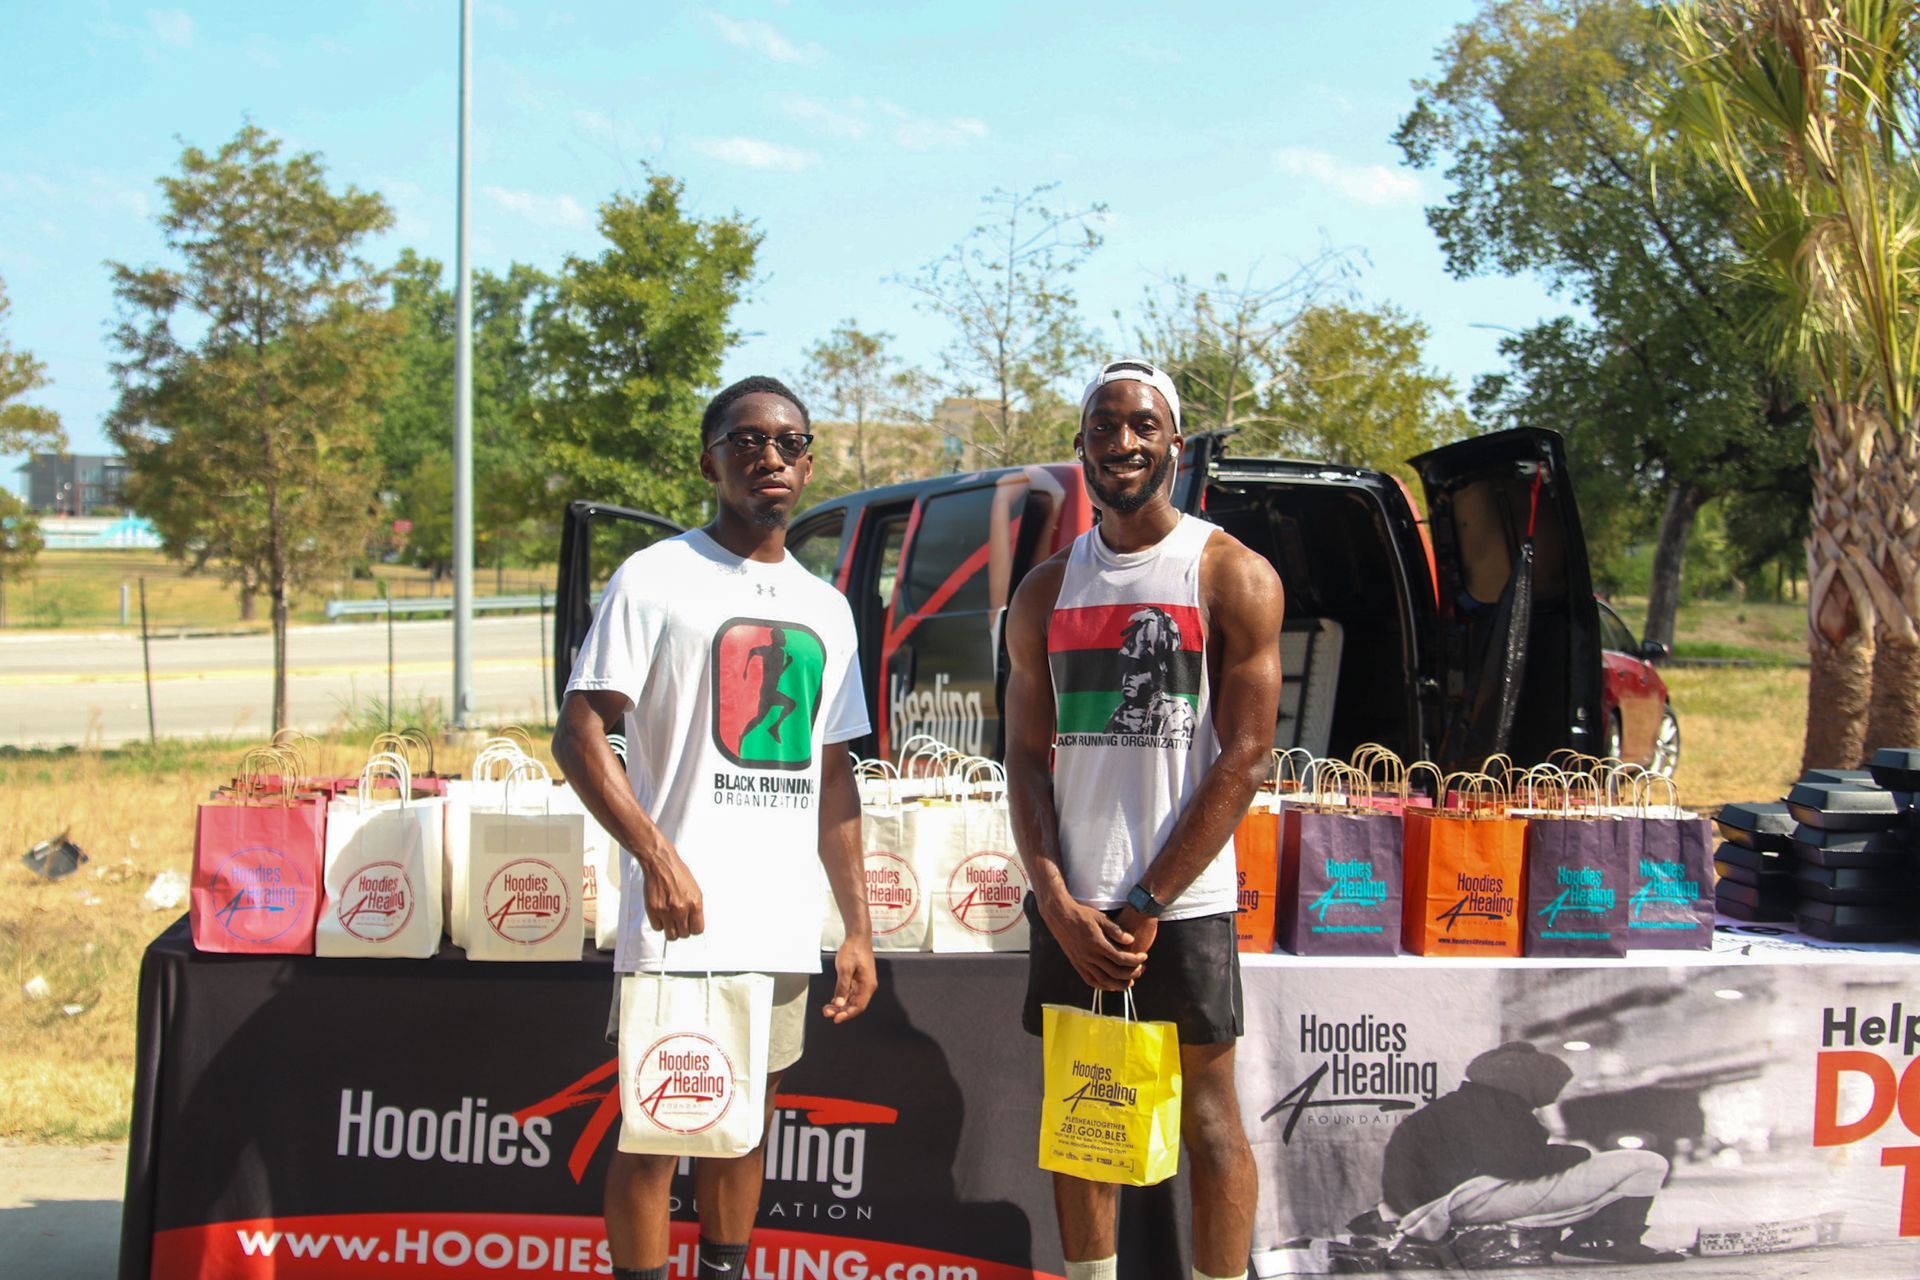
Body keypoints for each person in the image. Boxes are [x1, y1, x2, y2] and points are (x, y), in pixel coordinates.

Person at [551, 376, 877, 1280]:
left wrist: (856, 925)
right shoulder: (656, 578)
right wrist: (656, 854)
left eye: (788, 443)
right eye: (746, 442)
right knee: (656, 1135)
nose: (768, 457)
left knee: (744, 1125)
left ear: (809, 461)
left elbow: (834, 774)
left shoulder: (827, 608)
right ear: (711, 460)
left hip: (777, 924)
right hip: (677, 924)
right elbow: (579, 732)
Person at [1005, 358, 1286, 1280]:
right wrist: (1054, 898)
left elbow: (1245, 755)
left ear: (1174, 440)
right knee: (1085, 1123)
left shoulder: (1229, 573)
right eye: (1103, 427)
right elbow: (1024, 758)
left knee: (1209, 1121)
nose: (1122, 443)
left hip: (1182, 903)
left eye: (1141, 426)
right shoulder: (1044, 591)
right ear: (1081, 444)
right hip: (1076, 906)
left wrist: (1150, 901)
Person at [1375, 1041, 1683, 1265]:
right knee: (1647, 1162)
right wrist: (1576, 1154)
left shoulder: (1464, 1104)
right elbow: (1519, 1164)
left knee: (1608, 1164)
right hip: (1458, 1202)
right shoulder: (1496, 1109)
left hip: (1431, 1204)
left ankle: (1597, 1236)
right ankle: (1611, 1240)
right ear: (1525, 1083)